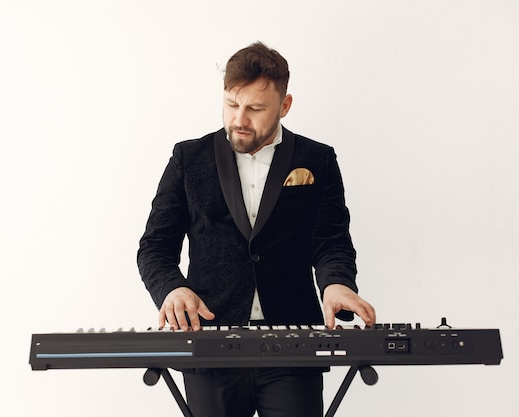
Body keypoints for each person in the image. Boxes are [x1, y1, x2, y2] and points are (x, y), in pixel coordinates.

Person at [137, 41, 376, 417]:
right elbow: (154, 246)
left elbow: (331, 242)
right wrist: (171, 288)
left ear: (284, 106)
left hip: (295, 347)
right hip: (209, 346)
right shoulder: (188, 158)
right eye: (232, 104)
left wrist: (335, 283)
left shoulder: (318, 160)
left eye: (255, 108)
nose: (239, 119)